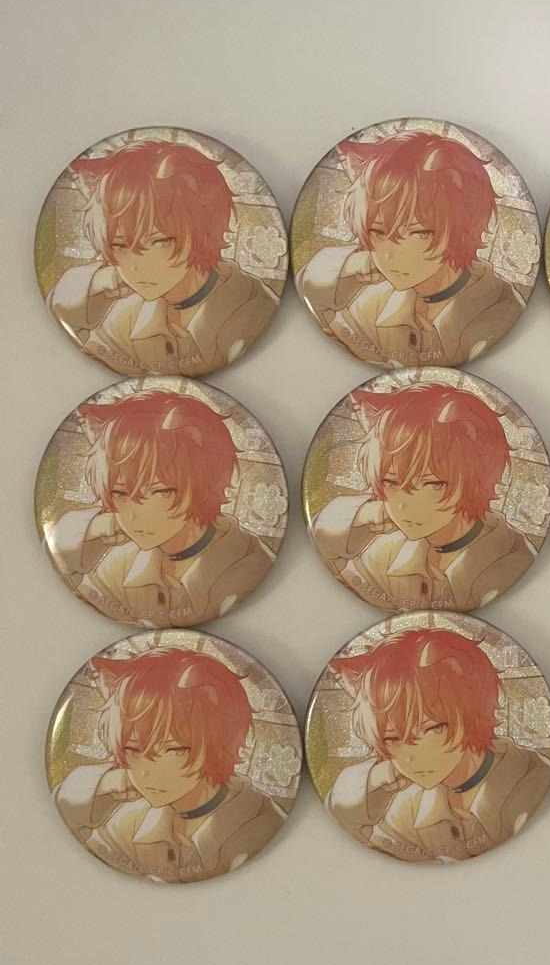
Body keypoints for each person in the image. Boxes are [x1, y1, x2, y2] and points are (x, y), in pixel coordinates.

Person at [47, 139, 278, 375]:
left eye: (159, 242)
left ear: (202, 229)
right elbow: (80, 345)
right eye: (120, 245)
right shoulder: (130, 312)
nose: (135, 267)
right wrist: (95, 284)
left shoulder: (248, 311)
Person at [54, 647, 286, 883]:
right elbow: (67, 842)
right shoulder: (136, 818)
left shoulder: (256, 826)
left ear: (219, 742)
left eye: (174, 750)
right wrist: (101, 786)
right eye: (133, 750)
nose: (146, 772)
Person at [45, 389, 274, 626]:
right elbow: (67, 598)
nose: (132, 515)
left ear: (205, 482)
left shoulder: (247, 569)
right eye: (120, 493)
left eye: (160, 492)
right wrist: (89, 531)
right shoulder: (124, 563)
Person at [296, 131, 524, 366]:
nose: (389, 255)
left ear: (462, 226)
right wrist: (342, 272)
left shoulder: (495, 311)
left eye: (418, 233)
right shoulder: (376, 300)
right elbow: (324, 323)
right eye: (377, 232)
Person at [325, 629, 550, 862]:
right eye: (391, 739)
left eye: (433, 729)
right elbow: (358, 840)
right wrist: (373, 780)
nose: (410, 758)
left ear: (472, 711)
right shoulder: (412, 805)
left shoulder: (533, 784)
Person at [311, 381, 535, 611]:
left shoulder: (508, 561)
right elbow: (330, 563)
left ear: (477, 478)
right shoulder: (390, 550)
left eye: (433, 484)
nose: (403, 506)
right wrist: (359, 517)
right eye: (390, 482)